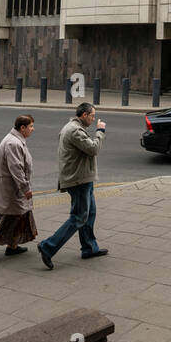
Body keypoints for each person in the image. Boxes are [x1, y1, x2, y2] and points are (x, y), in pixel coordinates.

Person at [38, 102, 107, 269]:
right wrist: (100, 131)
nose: (93, 118)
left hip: (82, 178)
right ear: (84, 115)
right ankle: (48, 246)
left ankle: (89, 248)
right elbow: (93, 149)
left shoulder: (73, 126)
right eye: (92, 116)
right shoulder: (75, 130)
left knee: (89, 213)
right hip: (78, 180)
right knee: (78, 217)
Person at [0, 115, 37, 259]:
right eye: (30, 126)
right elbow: (16, 168)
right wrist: (25, 188)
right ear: (22, 128)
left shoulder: (16, 140)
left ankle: (13, 245)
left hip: (13, 188)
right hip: (10, 189)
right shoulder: (13, 143)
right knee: (8, 216)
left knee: (19, 215)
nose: (32, 129)